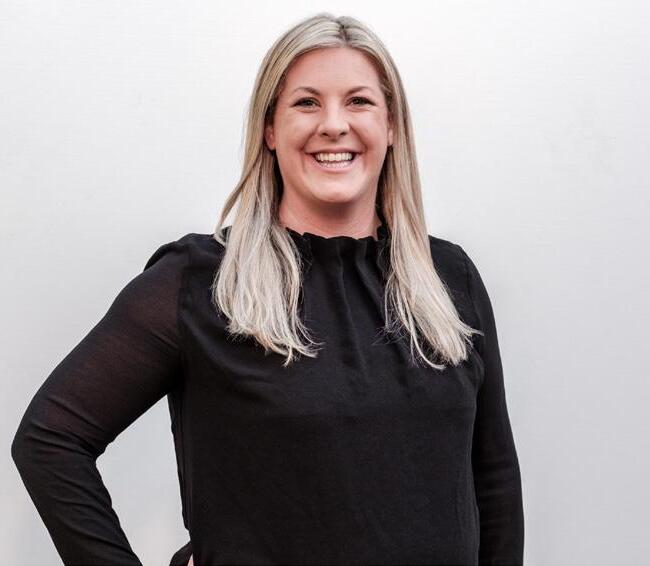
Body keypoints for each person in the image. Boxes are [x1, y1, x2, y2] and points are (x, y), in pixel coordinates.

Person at [11, 12, 524, 566]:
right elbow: (51, 439)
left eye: (359, 101)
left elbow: (493, 478)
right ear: (270, 129)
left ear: (392, 126)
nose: (334, 125)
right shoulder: (201, 281)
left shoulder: (449, 277)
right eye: (306, 103)